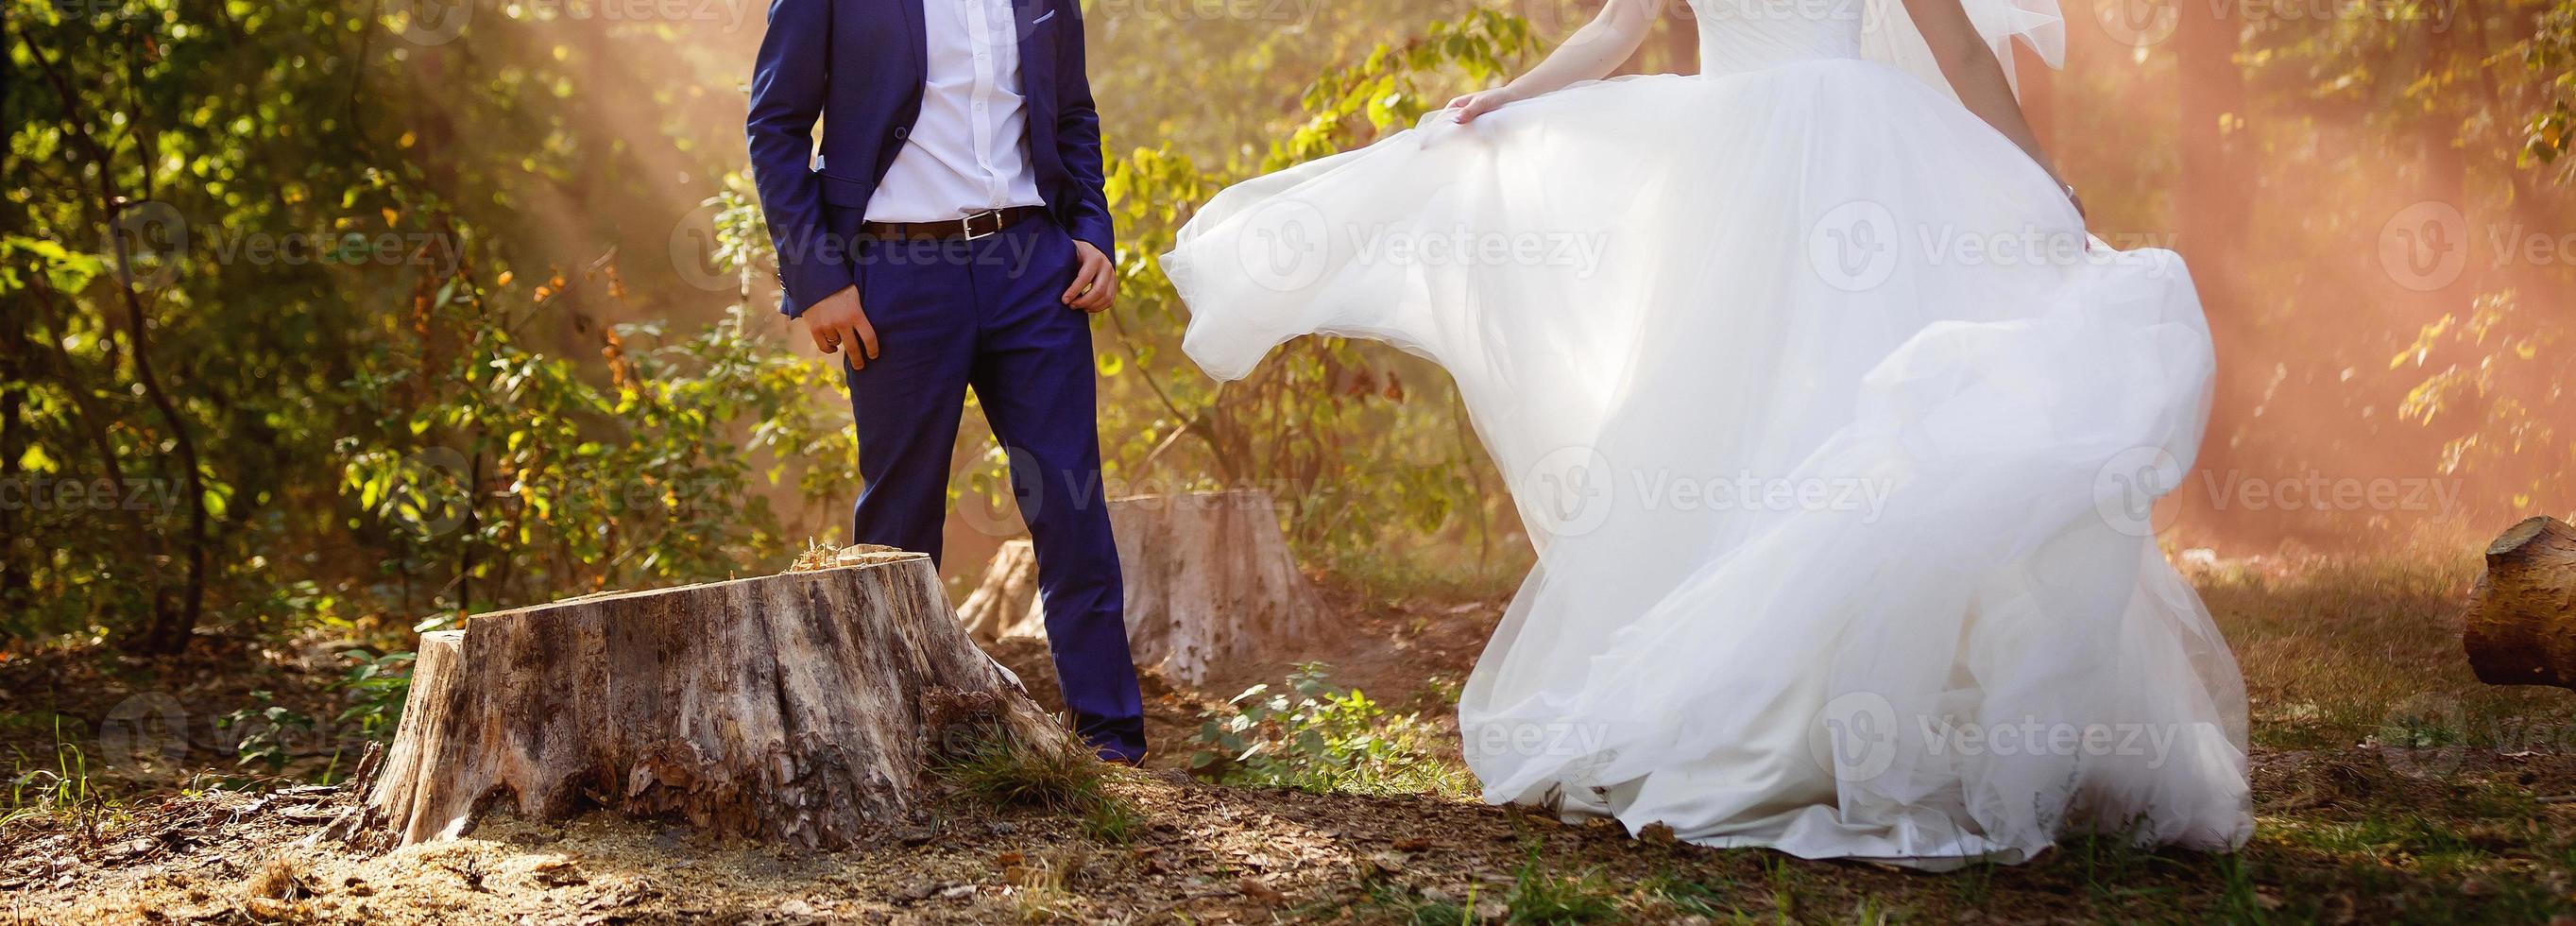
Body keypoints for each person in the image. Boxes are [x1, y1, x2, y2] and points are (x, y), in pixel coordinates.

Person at [1164, 0, 2252, 866]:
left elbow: (1962, 50)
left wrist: (2039, 185)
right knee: (1725, 410)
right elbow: (1616, 25)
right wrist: (1510, 95)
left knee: (1853, 400)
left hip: (1857, 164)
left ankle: (1871, 694)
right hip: (1730, 171)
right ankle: (1772, 692)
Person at [746, 0, 1147, 763]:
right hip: (897, 274)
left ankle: (1110, 746)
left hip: (1034, 267)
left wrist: (1092, 231)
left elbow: (1075, 116)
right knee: (899, 521)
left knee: (1070, 506)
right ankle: (892, 744)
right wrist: (818, 276)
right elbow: (775, 125)